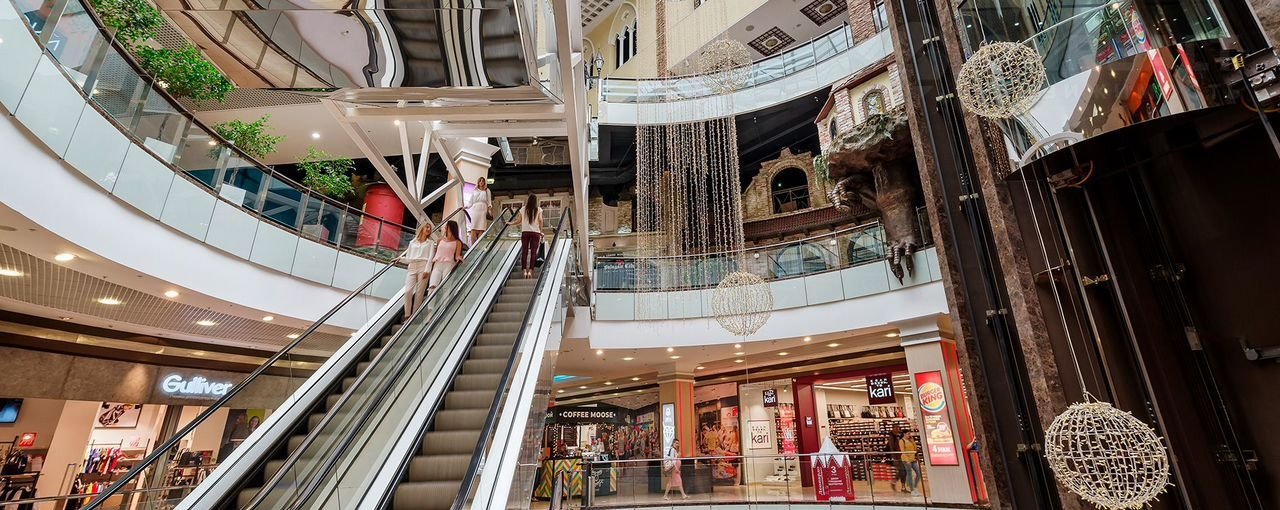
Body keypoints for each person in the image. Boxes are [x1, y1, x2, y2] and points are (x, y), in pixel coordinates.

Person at [397, 223, 436, 320]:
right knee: (408, 291)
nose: (428, 229)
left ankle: (414, 316)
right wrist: (400, 259)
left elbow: (430, 258)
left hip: (423, 267)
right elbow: (409, 258)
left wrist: (427, 270)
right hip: (412, 267)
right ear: (422, 228)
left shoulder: (431, 243)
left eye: (430, 228)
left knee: (419, 293)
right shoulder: (412, 242)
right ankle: (407, 315)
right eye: (427, 227)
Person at [507, 193, 543, 278]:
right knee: (533, 252)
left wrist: (510, 223)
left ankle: (524, 271)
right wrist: (541, 231)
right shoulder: (539, 209)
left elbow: (519, 221)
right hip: (535, 233)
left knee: (525, 251)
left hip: (525, 232)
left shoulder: (523, 209)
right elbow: (541, 220)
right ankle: (530, 271)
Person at [429, 221, 464, 294]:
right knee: (432, 285)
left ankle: (444, 301)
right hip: (437, 264)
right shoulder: (440, 240)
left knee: (446, 287)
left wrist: (459, 258)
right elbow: (436, 252)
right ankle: (430, 301)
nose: (445, 227)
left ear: (451, 228)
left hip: (449, 264)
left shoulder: (458, 242)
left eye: (447, 226)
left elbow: (457, 256)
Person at [466, 177, 492, 244]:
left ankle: (478, 244)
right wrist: (466, 207)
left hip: (483, 209)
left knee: (481, 228)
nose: (481, 182)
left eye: (482, 181)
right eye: (480, 181)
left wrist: (489, 210)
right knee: (473, 228)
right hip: (475, 209)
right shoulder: (474, 190)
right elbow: (470, 202)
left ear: (484, 182)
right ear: (478, 182)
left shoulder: (487, 190)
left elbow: (489, 202)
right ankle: (473, 245)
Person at [888, 425, 906, 493]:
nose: (897, 430)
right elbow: (891, 448)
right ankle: (894, 482)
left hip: (902, 456)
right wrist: (894, 458)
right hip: (897, 457)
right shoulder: (891, 437)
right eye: (895, 429)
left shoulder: (899, 436)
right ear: (892, 429)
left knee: (904, 472)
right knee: (902, 471)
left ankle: (903, 487)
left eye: (898, 429)